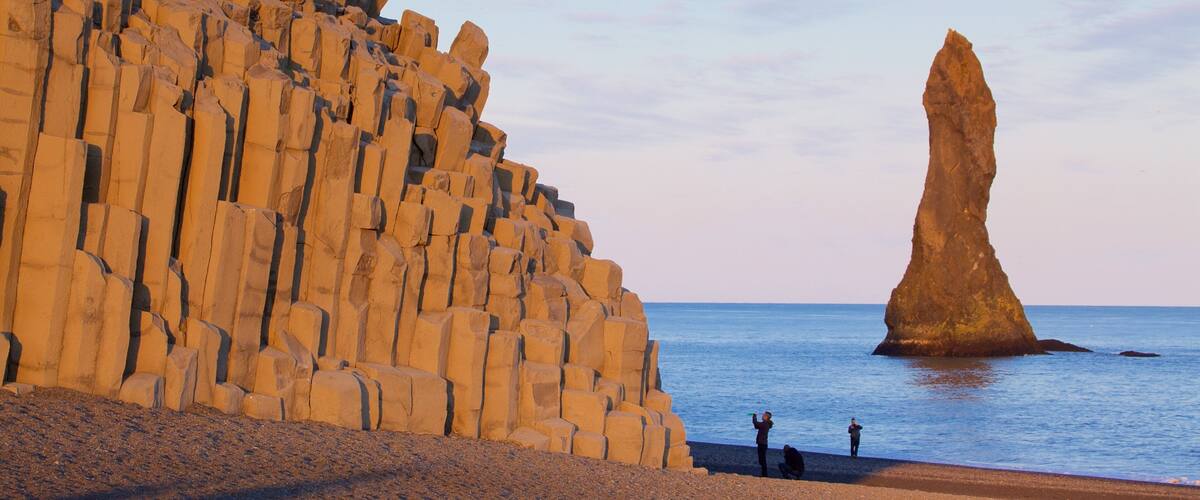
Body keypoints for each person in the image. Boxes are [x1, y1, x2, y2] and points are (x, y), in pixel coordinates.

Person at [751, 411, 773, 477]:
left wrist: (754, 417)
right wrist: (754, 418)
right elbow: (756, 426)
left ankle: (765, 475)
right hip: (762, 443)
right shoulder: (765, 424)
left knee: (762, 460)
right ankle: (764, 474)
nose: (762, 416)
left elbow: (756, 423)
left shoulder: (765, 424)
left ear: (766, 417)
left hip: (762, 444)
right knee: (761, 460)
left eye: (763, 415)